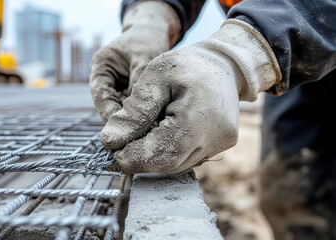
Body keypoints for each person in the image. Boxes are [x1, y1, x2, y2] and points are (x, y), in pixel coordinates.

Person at [89, 0, 336, 239]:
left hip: (312, 28)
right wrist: (151, 15)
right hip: (300, 61)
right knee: (292, 190)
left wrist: (238, 53)